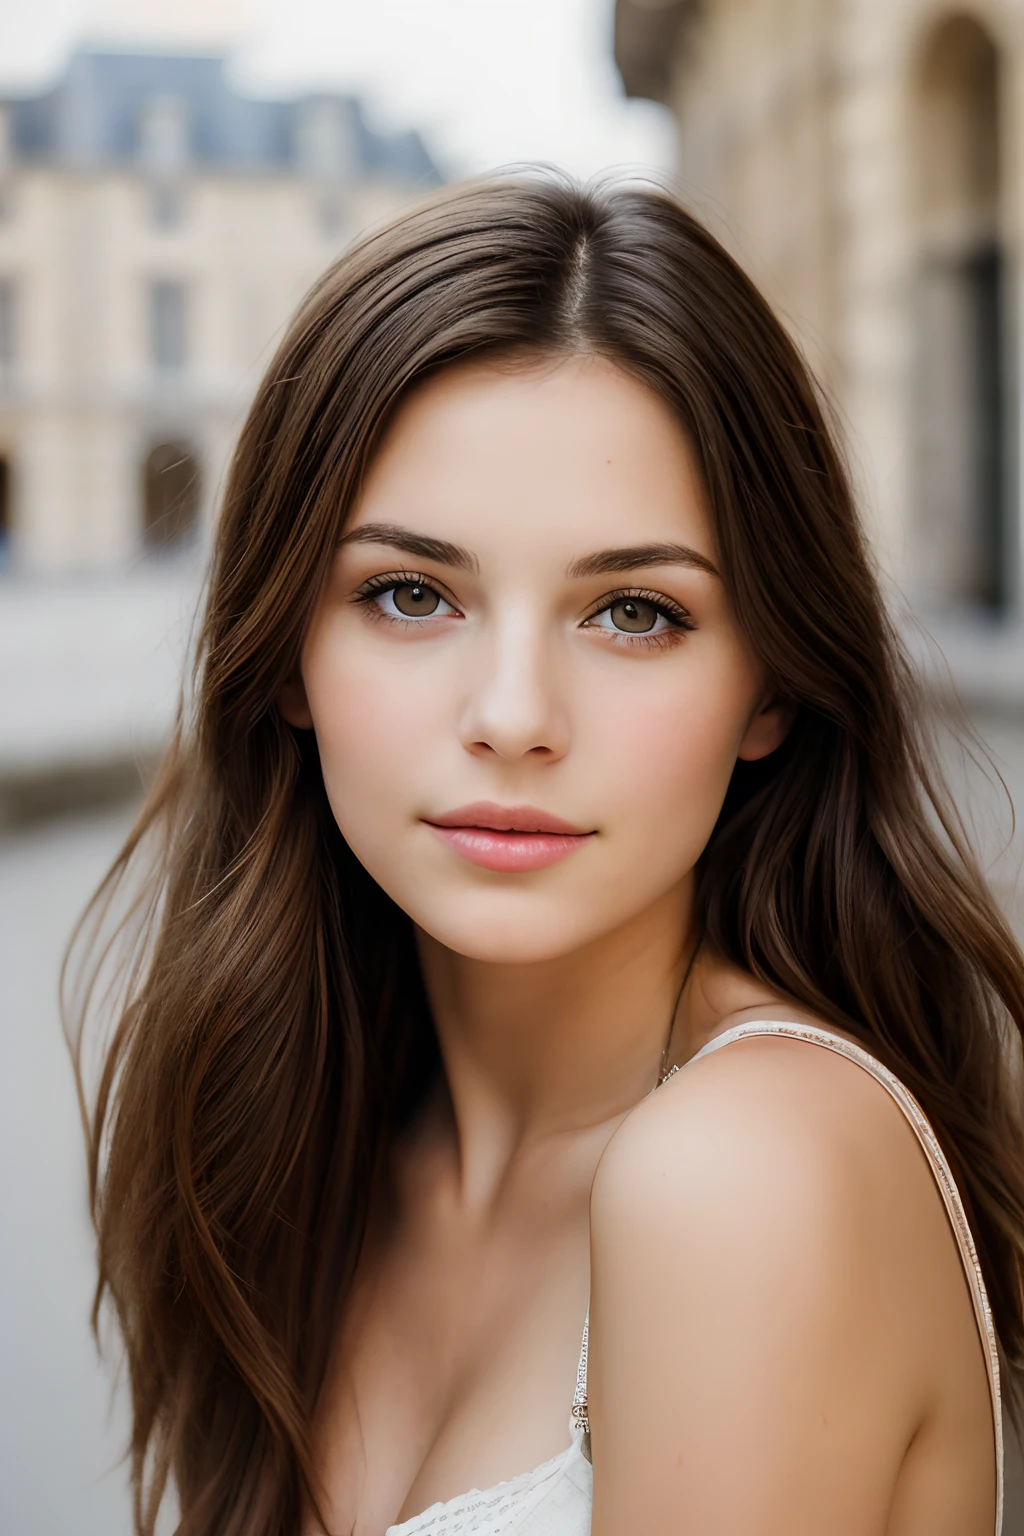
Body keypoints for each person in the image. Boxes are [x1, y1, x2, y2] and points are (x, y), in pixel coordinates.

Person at [67, 172, 1024, 1536]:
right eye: (411, 595)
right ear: (286, 656)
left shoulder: (744, 1174)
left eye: (634, 612)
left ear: (771, 686)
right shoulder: (324, 1145)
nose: (513, 717)